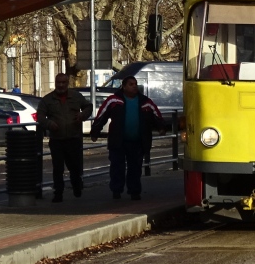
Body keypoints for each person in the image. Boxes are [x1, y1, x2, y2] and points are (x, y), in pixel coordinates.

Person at [89, 76, 169, 200]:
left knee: (135, 168)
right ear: (124, 86)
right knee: (117, 167)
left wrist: (161, 127)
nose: (134, 86)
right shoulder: (114, 100)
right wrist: (95, 131)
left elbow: (156, 115)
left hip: (137, 142)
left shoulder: (145, 102)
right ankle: (116, 191)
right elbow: (102, 115)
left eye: (135, 84)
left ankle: (134, 192)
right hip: (118, 141)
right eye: (131, 84)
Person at [36, 73, 93, 202]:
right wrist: (49, 124)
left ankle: (77, 186)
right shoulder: (47, 100)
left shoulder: (76, 96)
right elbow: (40, 116)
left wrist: (82, 115)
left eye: (63, 82)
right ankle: (58, 193)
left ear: (67, 83)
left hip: (73, 138)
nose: (61, 85)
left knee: (75, 167)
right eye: (58, 82)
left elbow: (88, 107)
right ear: (55, 83)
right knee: (58, 168)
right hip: (57, 139)